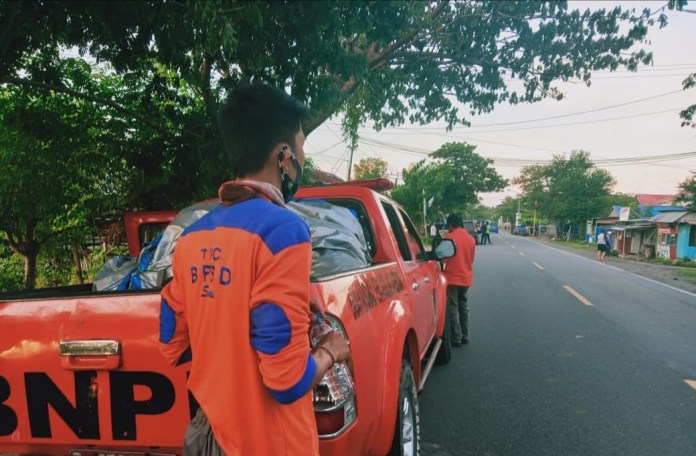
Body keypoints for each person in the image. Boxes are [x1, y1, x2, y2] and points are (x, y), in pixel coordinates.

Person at [159, 84, 350, 455]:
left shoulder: (191, 238)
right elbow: (286, 382)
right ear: (284, 156)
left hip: (209, 437)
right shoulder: (284, 231)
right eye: (301, 145)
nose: (303, 158)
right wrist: (330, 350)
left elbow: (172, 345)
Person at [442, 213, 476, 346]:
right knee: (464, 306)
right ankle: (465, 335)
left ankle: (456, 338)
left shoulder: (448, 238)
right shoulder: (471, 239)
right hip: (466, 279)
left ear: (450, 225)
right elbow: (471, 260)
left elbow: (443, 258)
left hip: (452, 279)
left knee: (453, 307)